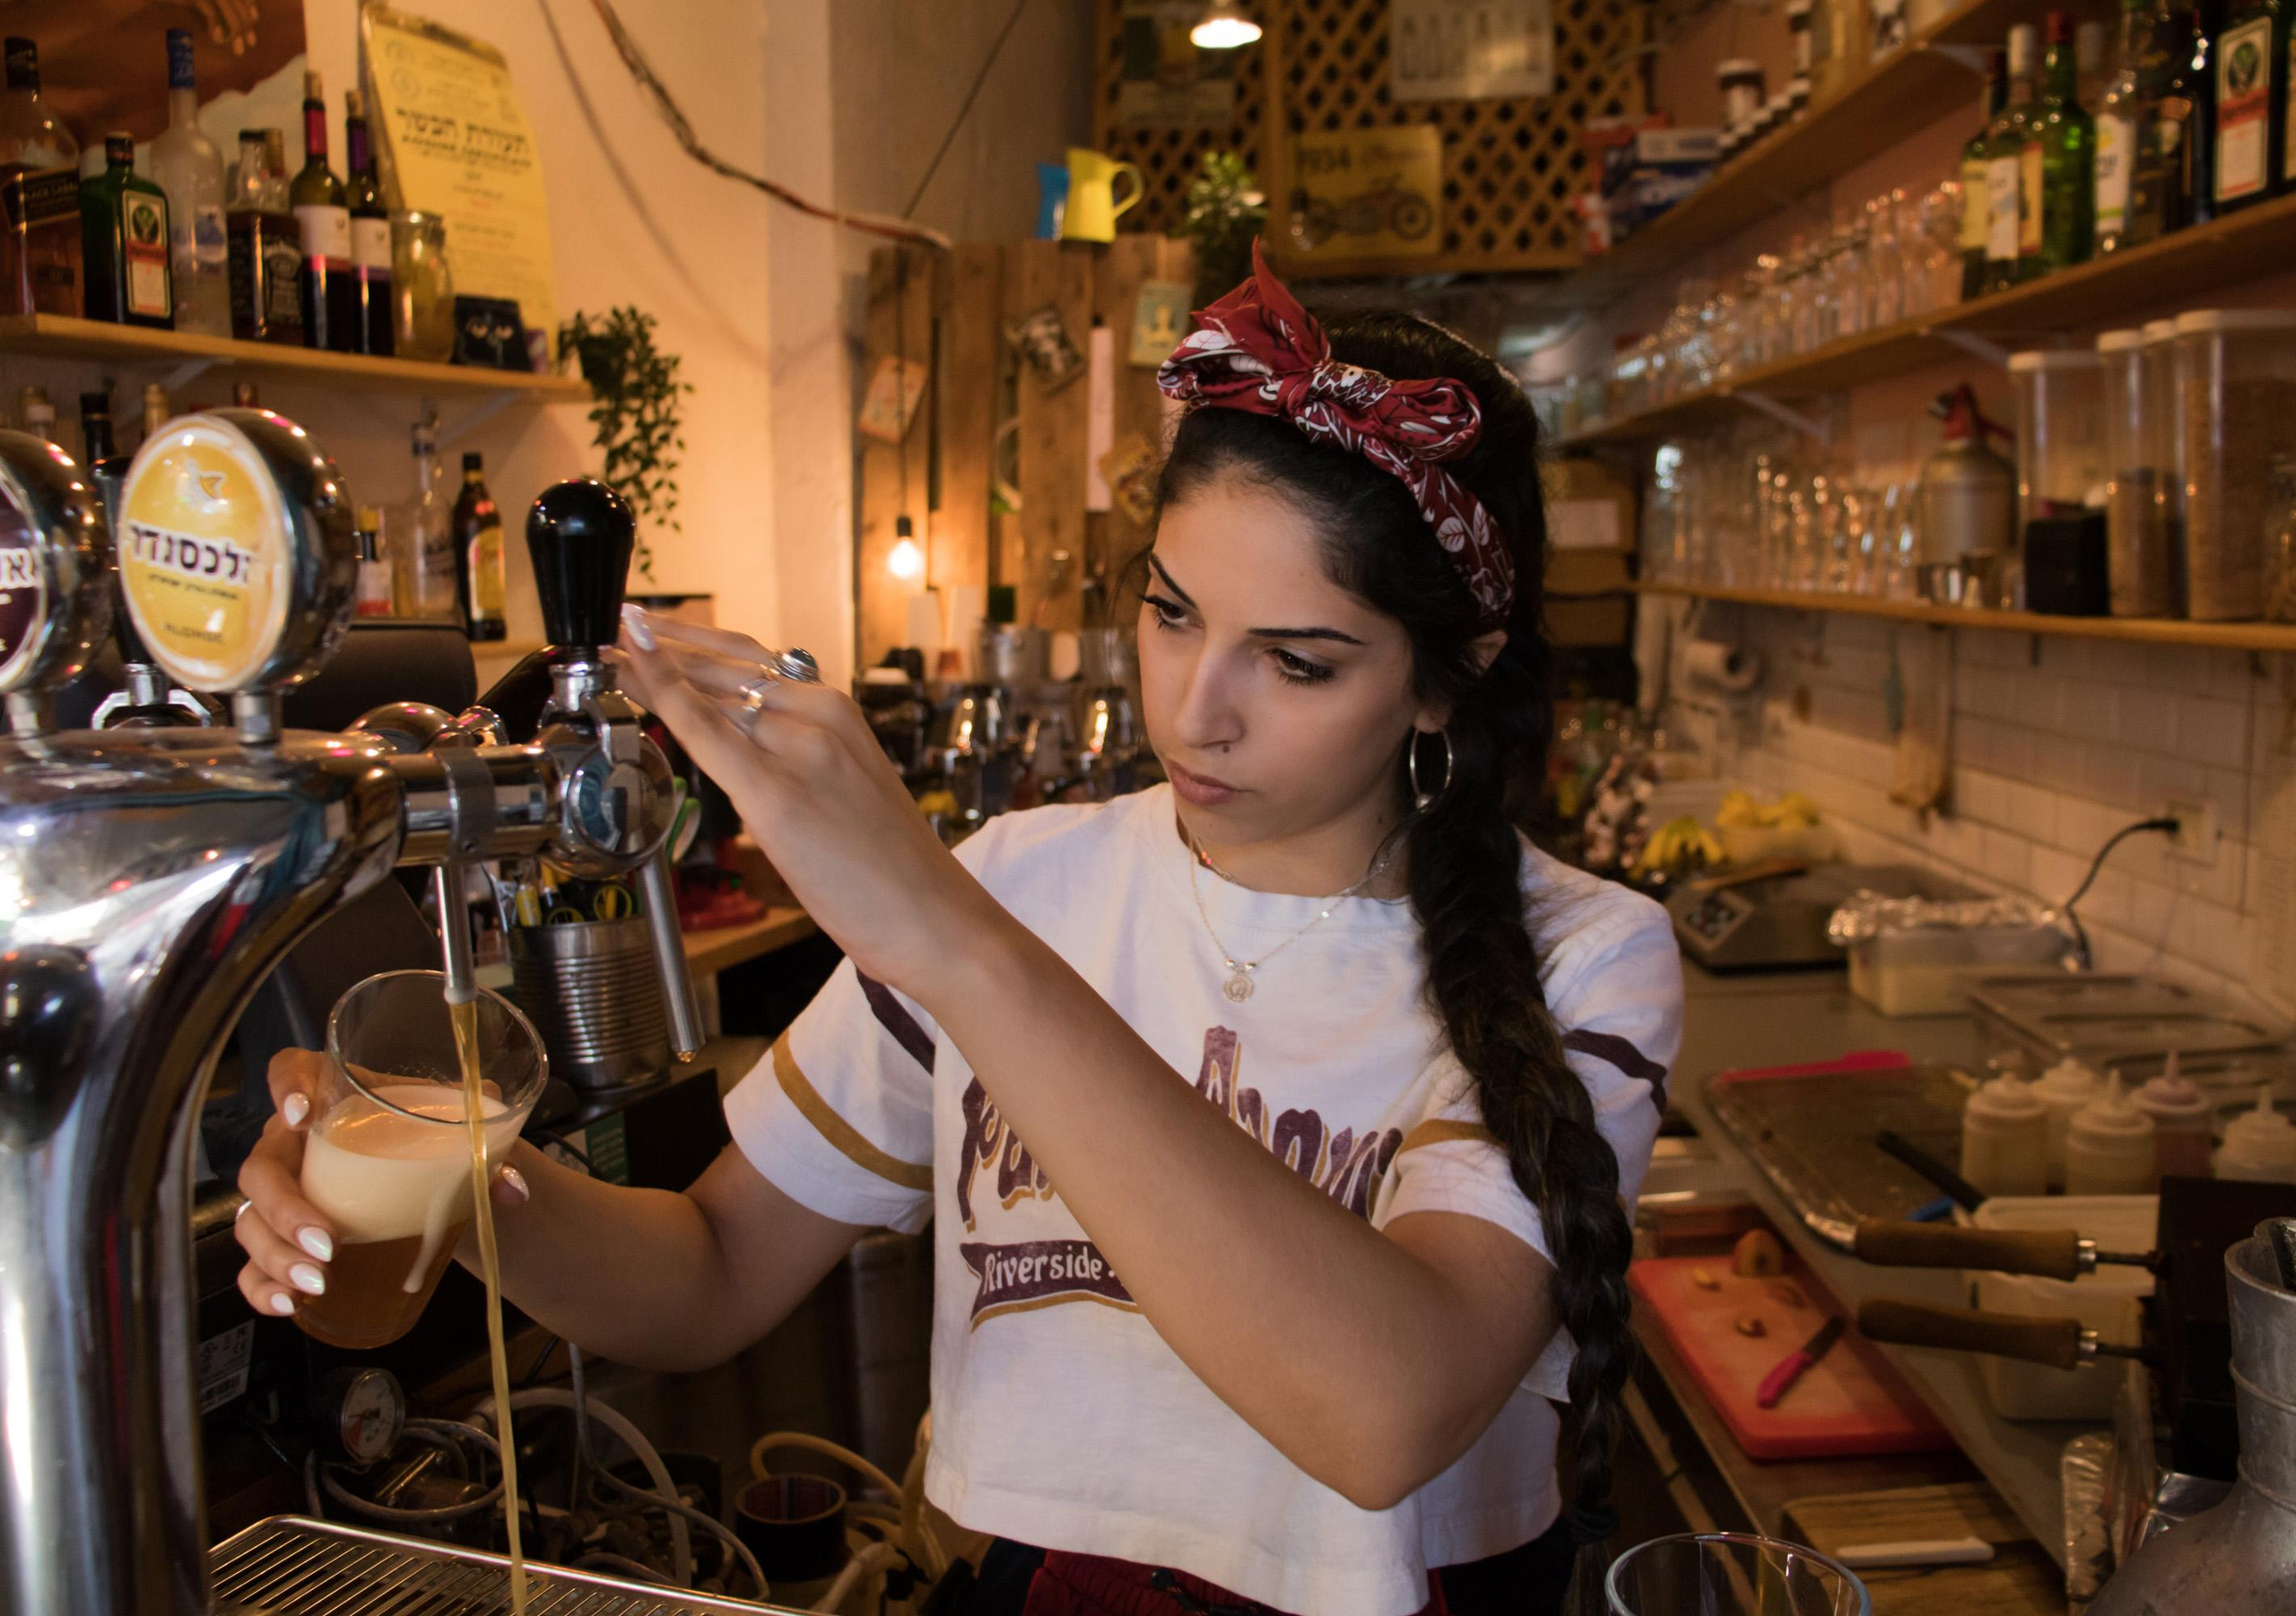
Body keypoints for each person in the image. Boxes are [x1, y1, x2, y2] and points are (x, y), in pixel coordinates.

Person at [233, 243, 1682, 1616]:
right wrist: (452, 1169)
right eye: (1171, 614)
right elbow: (709, 1271)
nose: (1194, 709)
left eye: (1297, 662)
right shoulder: (1029, 876)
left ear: (1447, 680)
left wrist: (950, 932)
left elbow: (1388, 1410)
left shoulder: (1587, 954)